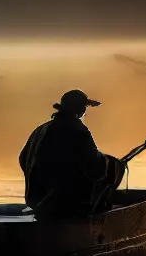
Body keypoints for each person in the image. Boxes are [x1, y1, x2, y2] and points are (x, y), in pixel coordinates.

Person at [19, 90, 126, 218]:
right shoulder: (77, 130)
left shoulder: (41, 129)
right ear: (79, 109)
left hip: (36, 201)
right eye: (84, 107)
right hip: (64, 204)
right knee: (110, 171)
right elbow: (96, 169)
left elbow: (22, 158)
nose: (84, 111)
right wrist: (114, 164)